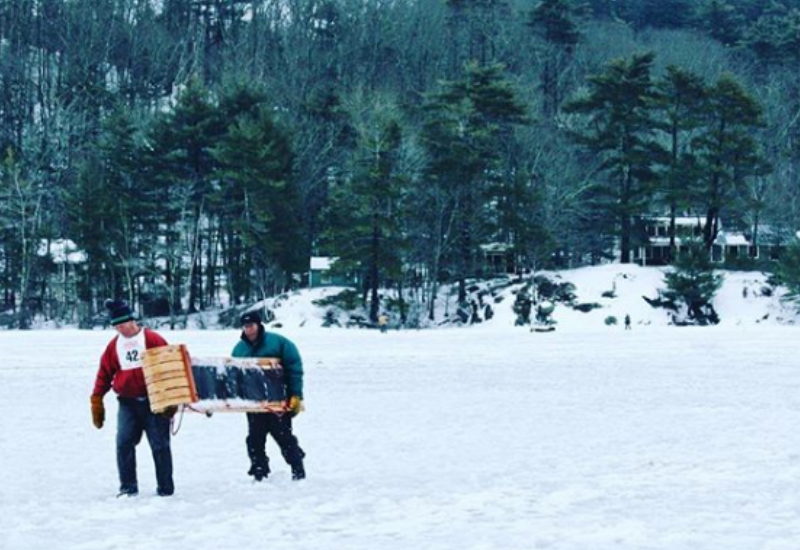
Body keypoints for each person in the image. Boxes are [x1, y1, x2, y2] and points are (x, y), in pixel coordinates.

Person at [90, 299, 175, 497]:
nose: (120, 329)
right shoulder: (114, 347)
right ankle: (128, 487)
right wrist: (97, 398)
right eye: (116, 326)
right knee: (123, 443)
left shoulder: (152, 339)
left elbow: (170, 367)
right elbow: (104, 373)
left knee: (160, 445)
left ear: (131, 320)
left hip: (154, 401)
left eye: (122, 324)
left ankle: (165, 489)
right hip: (127, 402)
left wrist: (172, 399)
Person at [233, 310, 306, 481]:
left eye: (251, 325)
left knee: (283, 436)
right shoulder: (239, 349)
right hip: (254, 403)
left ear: (259, 325)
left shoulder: (279, 343)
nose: (248, 330)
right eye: (245, 326)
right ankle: (259, 470)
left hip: (278, 401)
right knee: (254, 438)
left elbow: (294, 368)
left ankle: (297, 466)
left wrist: (296, 394)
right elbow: (234, 376)